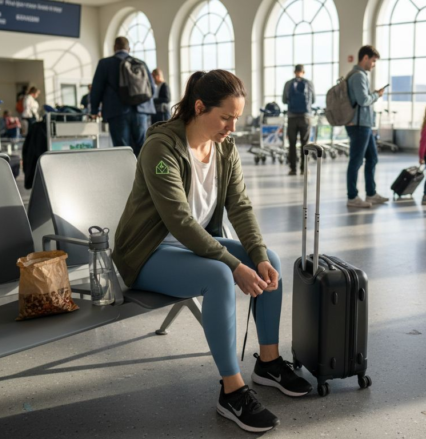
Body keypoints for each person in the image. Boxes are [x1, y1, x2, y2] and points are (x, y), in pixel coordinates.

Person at [113, 70, 311, 433]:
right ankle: (232, 391)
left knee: (272, 261)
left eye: (236, 118)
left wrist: (258, 256)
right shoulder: (161, 148)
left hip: (194, 244)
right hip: (147, 251)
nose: (231, 127)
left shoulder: (225, 148)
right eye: (225, 117)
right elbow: (179, 222)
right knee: (220, 275)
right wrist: (233, 264)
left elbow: (240, 207)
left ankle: (267, 363)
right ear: (200, 107)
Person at [90, 36, 155, 155]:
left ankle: (127, 173)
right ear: (128, 48)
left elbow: (96, 89)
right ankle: (142, 173)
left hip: (117, 112)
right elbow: (152, 89)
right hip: (140, 111)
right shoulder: (140, 63)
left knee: (122, 149)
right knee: (142, 147)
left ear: (114, 47)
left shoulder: (105, 64)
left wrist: (94, 109)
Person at [345, 45, 389, 208]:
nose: (374, 64)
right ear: (365, 58)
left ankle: (371, 193)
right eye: (373, 60)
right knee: (356, 161)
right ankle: (352, 196)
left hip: (364, 124)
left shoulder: (359, 75)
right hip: (359, 125)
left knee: (372, 158)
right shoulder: (358, 76)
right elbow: (363, 100)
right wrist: (376, 95)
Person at [282, 64, 315, 176]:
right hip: (305, 117)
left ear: (294, 71)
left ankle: (293, 169)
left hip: (292, 117)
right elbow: (313, 100)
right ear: (303, 72)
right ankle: (304, 168)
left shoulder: (288, 83)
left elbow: (284, 100)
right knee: (305, 144)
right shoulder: (309, 83)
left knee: (292, 144)